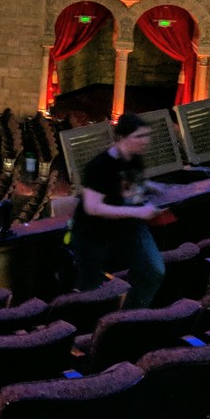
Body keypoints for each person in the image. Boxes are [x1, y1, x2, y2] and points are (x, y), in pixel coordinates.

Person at [71, 113, 167, 310]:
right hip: (94, 234)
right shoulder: (99, 166)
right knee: (91, 292)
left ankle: (128, 316)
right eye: (139, 136)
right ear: (123, 137)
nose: (146, 141)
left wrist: (151, 185)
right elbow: (92, 207)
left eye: (147, 135)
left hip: (127, 227)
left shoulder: (135, 159)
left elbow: (130, 181)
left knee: (154, 270)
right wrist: (138, 213)